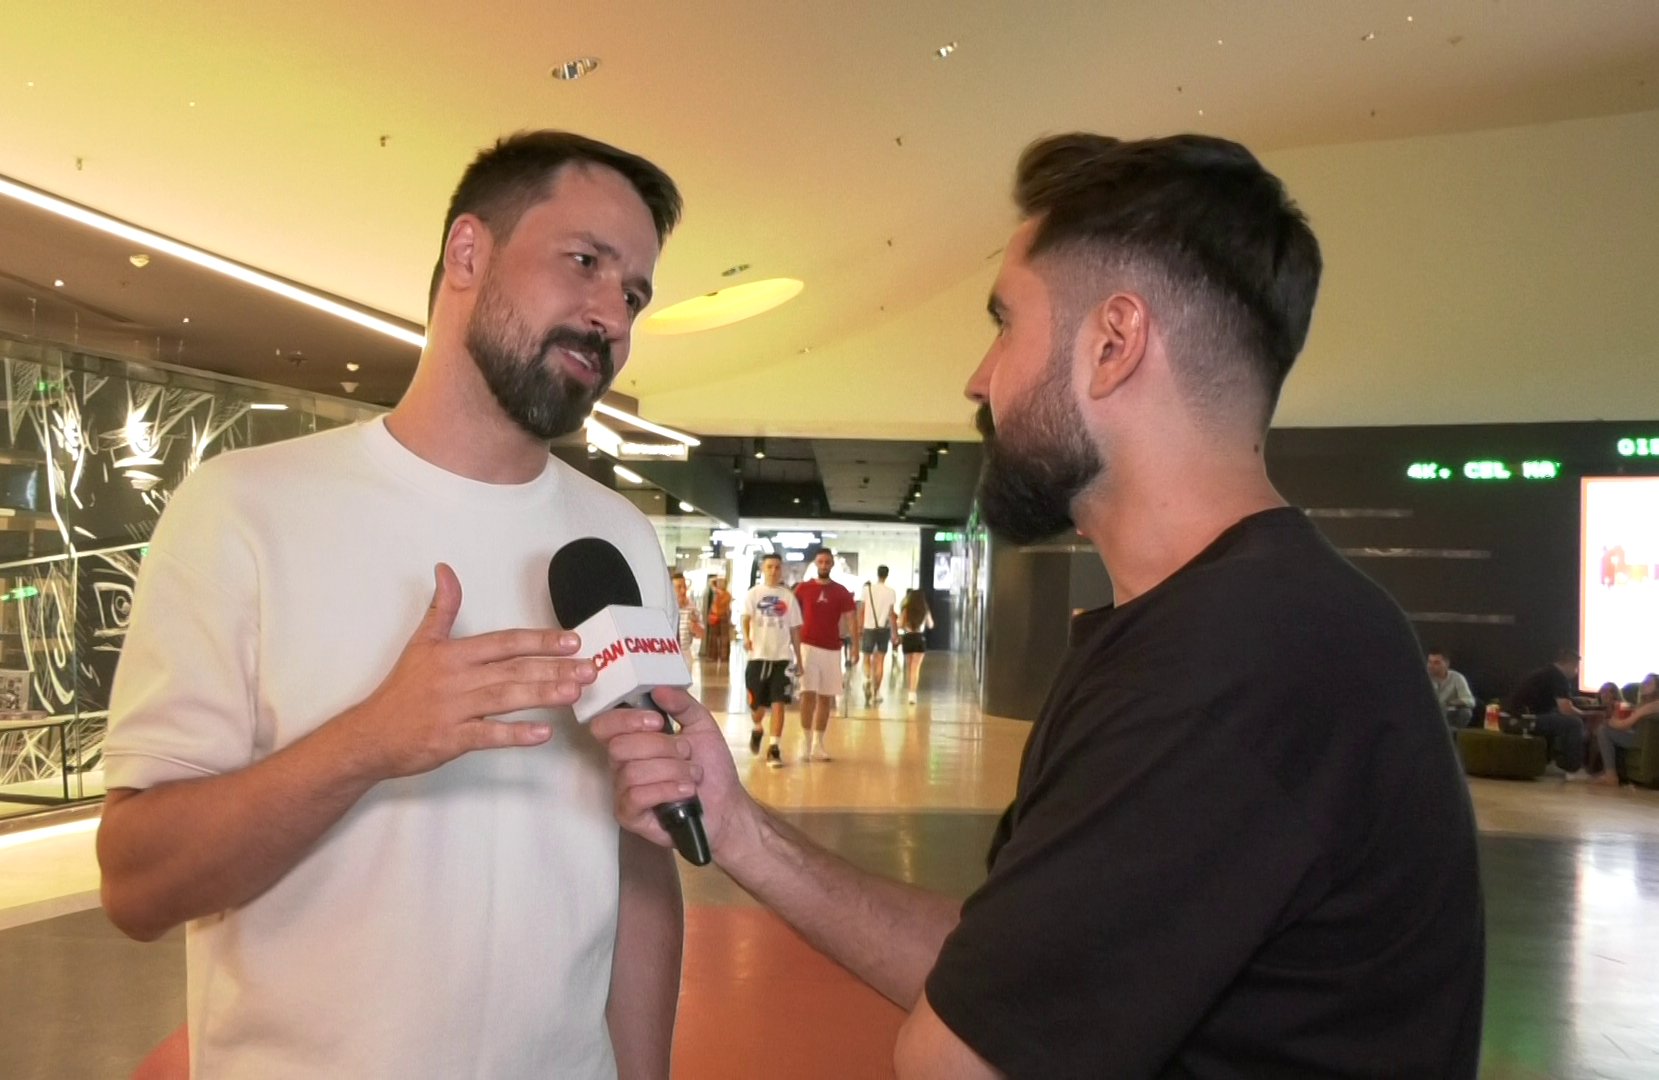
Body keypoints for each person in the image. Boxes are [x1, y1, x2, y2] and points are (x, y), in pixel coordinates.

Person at [591, 132, 1483, 1077]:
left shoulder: (1233, 664)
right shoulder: (1237, 629)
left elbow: (956, 1059)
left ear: (1113, 344)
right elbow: (1000, 980)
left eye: (1005, 323)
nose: (979, 379)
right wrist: (739, 830)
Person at [95, 131, 686, 1078]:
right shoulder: (244, 509)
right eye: (585, 261)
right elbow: (136, 886)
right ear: (468, 253)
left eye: (634, 295)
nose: (610, 317)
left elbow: (641, 852)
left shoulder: (617, 541)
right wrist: (369, 742)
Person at [792, 548, 856, 762]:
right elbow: (792, 616)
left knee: (826, 697)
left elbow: (851, 618)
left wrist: (855, 646)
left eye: (827, 562)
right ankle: (805, 741)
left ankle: (818, 745)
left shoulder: (841, 591)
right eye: (820, 562)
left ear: (832, 564)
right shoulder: (803, 589)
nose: (824, 565)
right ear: (815, 563)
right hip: (807, 647)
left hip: (832, 649)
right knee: (807, 694)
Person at [741, 552, 802, 767]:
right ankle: (757, 728)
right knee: (756, 707)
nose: (773, 571)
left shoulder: (788, 597)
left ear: (781, 570)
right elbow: (745, 618)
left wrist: (799, 659)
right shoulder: (754, 594)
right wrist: (746, 637)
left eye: (777, 567)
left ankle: (774, 747)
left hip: (782, 658)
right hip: (758, 657)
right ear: (762, 569)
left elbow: (795, 630)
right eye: (769, 567)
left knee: (779, 702)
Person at [1506, 649, 1588, 778]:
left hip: (1512, 718)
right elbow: (1566, 709)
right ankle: (1572, 769)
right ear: (1570, 664)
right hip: (1523, 721)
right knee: (1574, 724)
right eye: (1576, 668)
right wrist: (1586, 715)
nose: (1576, 672)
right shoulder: (1559, 678)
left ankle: (1549, 760)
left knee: (1556, 718)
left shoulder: (1547, 673)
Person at [1597, 673, 1659, 786]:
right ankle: (1608, 772)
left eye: (1648, 683)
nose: (1643, 685)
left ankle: (1611, 776)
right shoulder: (1641, 704)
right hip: (1637, 736)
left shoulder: (1654, 704)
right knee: (1606, 731)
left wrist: (1610, 722)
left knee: (1603, 730)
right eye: (1644, 682)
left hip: (1643, 741)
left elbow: (1625, 724)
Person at [857, 566, 898, 707]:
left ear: (877, 574)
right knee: (880, 660)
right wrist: (894, 634)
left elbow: (862, 610)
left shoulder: (867, 590)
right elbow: (891, 615)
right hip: (883, 629)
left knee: (866, 656)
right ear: (887, 575)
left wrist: (859, 627)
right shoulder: (891, 592)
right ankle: (876, 693)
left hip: (868, 628)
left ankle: (867, 678)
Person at [899, 588, 935, 706]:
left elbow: (900, 625)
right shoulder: (925, 610)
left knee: (908, 667)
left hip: (908, 638)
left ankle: (909, 691)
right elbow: (931, 625)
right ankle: (912, 694)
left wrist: (906, 625)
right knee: (915, 668)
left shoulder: (906, 610)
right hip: (919, 638)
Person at [1427, 648, 1476, 728]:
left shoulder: (1457, 678)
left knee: (1466, 712)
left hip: (1448, 714)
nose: (1431, 666)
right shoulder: (1423, 678)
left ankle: (1452, 733)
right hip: (1428, 712)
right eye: (1429, 662)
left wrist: (1451, 703)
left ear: (1447, 664)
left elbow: (1470, 701)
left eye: (1436, 663)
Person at [702, 574, 733, 663]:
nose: (719, 583)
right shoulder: (724, 594)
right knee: (717, 637)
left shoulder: (720, 593)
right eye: (718, 582)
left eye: (722, 582)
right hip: (718, 616)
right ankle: (720, 656)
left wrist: (715, 580)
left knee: (721, 638)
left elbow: (710, 583)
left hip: (720, 616)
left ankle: (718, 656)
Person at [672, 570, 696, 661]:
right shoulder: (665, 611)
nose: (683, 591)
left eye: (684, 587)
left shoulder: (691, 609)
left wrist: (695, 627)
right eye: (679, 587)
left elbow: (700, 633)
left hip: (685, 654)